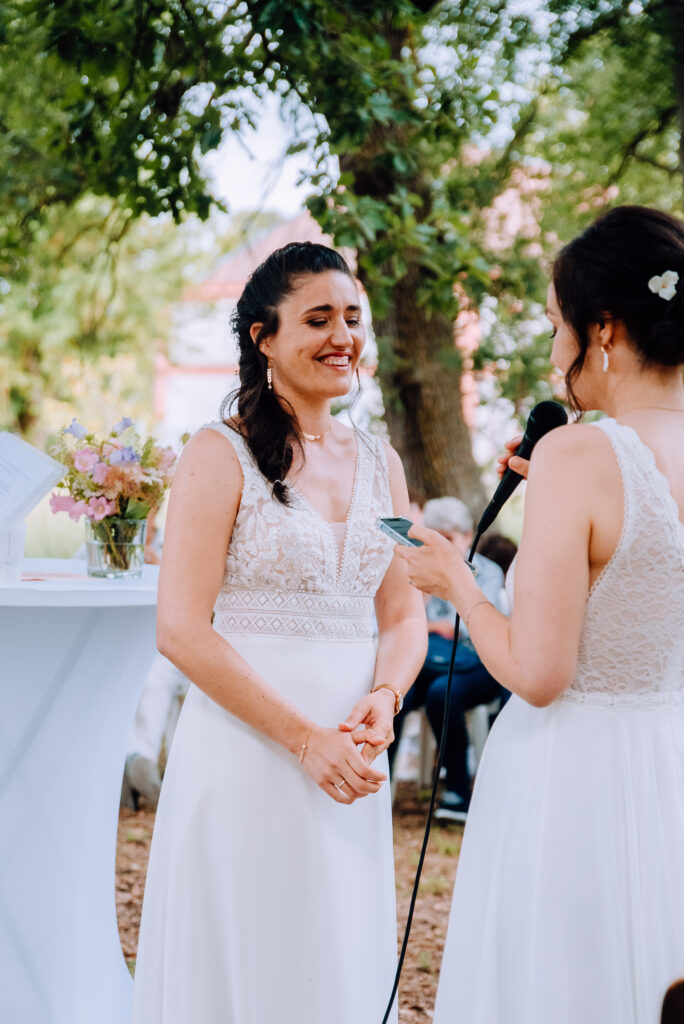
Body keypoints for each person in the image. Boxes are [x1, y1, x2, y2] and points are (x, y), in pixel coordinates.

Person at [396, 205, 684, 1023]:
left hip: (573, 780)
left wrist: (459, 580)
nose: (555, 351)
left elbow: (539, 673)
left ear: (603, 329)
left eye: (557, 324)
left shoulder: (579, 454)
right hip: (670, 762)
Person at [130, 242, 427, 1024]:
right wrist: (303, 740)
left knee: (330, 954)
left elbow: (401, 615)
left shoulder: (381, 463)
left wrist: (388, 694)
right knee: (246, 953)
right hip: (247, 752)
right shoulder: (216, 454)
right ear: (263, 337)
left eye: (353, 318)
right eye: (318, 318)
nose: (343, 337)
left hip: (350, 762)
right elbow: (181, 630)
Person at [387, 497, 508, 821]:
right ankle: (380, 784)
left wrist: (443, 619)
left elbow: (485, 622)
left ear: (468, 536)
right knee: (396, 690)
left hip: (476, 663)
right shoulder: (415, 565)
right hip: (429, 658)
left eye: (450, 538)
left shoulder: (489, 571)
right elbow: (402, 619)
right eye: (435, 535)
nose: (444, 545)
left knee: (443, 692)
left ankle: (458, 792)